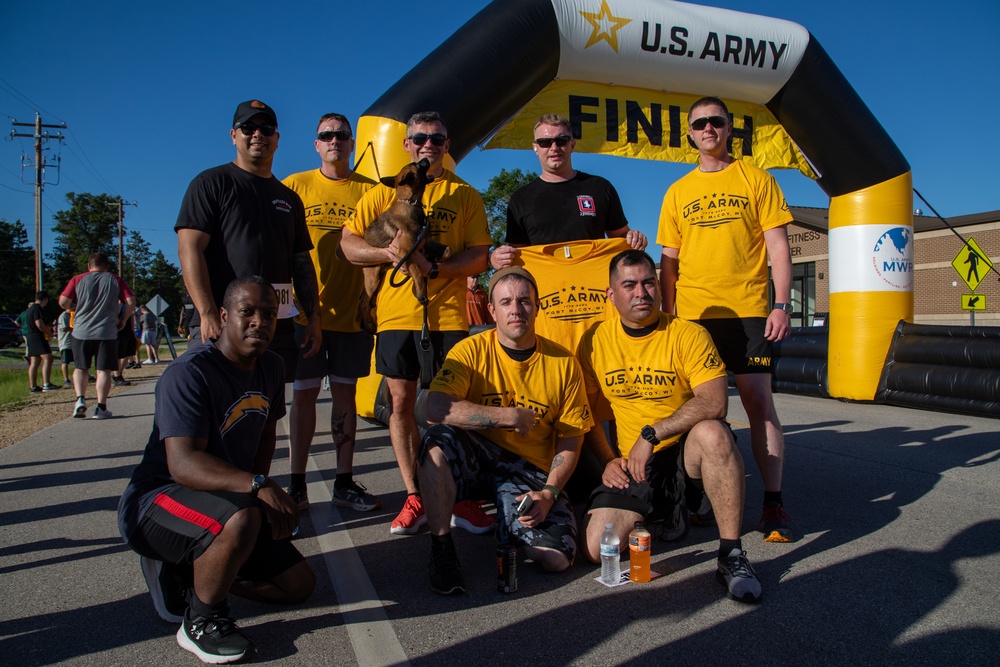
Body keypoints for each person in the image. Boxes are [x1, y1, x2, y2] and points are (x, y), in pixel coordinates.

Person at [117, 276, 314, 664]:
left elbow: (264, 437)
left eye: (269, 314)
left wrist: (257, 499)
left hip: (222, 500)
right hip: (155, 501)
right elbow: (183, 464)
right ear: (224, 317)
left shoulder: (272, 366)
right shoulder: (189, 372)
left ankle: (194, 573)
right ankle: (202, 620)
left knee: (298, 586)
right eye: (248, 312)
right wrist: (257, 487)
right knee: (239, 521)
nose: (260, 321)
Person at [579, 250, 762, 603]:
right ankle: (667, 512)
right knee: (595, 548)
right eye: (629, 284)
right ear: (611, 294)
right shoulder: (594, 340)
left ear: (660, 288)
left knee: (714, 432)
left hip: (683, 454)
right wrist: (607, 459)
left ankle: (732, 554)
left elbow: (714, 401)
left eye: (648, 282)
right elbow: (583, 410)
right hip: (636, 463)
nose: (641, 293)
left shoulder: (688, 334)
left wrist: (652, 433)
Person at [341, 111, 493, 535]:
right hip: (396, 316)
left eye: (438, 139)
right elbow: (350, 246)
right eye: (421, 138)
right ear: (408, 144)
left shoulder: (466, 195)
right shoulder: (382, 193)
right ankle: (415, 496)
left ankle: (459, 495)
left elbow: (480, 256)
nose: (429, 145)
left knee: (450, 410)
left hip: (448, 317)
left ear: (448, 145)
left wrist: (433, 271)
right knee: (402, 406)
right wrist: (392, 256)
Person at [657, 96, 794, 543]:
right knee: (697, 410)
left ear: (730, 128)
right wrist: (667, 312)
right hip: (694, 315)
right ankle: (695, 494)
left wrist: (782, 303)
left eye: (716, 121)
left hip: (749, 310)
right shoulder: (677, 191)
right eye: (700, 124)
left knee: (758, 403)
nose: (708, 129)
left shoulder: (757, 179)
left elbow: (777, 246)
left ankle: (772, 501)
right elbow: (668, 262)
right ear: (690, 134)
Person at [417, 267, 593, 594]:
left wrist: (549, 493)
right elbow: (435, 408)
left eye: (525, 301)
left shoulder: (563, 362)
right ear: (492, 310)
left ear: (537, 307)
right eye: (507, 301)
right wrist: (507, 416)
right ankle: (442, 550)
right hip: (477, 458)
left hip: (528, 468)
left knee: (555, 559)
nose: (516, 309)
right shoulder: (469, 352)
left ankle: (509, 517)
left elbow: (572, 436)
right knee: (435, 443)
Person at [176, 99, 321, 378]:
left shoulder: (290, 199)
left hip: (274, 327)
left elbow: (301, 263)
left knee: (265, 412)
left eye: (266, 128)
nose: (258, 135)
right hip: (222, 325)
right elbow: (189, 250)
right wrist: (207, 313)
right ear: (233, 135)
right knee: (216, 413)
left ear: (277, 138)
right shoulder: (211, 184)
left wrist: (314, 317)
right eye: (248, 128)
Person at [281, 113, 380, 512]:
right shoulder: (294, 186)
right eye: (326, 135)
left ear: (352, 143)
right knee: (302, 398)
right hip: (305, 316)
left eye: (341, 134)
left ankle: (343, 480)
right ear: (316, 144)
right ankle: (297, 484)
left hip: (352, 317)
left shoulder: (371, 191)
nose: (334, 140)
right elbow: (283, 249)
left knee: (346, 398)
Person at [489, 113, 646, 271]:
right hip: (546, 291)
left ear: (572, 144)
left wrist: (634, 238)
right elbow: (516, 256)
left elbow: (622, 238)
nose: (554, 148)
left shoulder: (600, 187)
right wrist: (497, 259)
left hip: (595, 288)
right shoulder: (520, 199)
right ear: (535, 148)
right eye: (545, 142)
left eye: (561, 141)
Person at [59, 253, 136, 419]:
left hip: (81, 331)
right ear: (106, 266)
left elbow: (63, 302)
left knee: (81, 367)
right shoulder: (115, 280)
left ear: (89, 265)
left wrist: (75, 307)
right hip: (106, 332)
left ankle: (80, 399)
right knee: (104, 370)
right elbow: (130, 302)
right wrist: (123, 319)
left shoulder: (77, 279)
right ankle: (101, 408)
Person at [24, 291, 57, 393]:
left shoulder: (30, 309)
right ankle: (46, 383)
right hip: (37, 336)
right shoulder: (38, 308)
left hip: (30, 336)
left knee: (35, 361)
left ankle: (33, 386)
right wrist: (50, 333)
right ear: (45, 299)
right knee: (48, 358)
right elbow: (39, 324)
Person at [56, 308, 74, 387]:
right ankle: (66, 379)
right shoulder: (64, 316)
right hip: (65, 342)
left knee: (79, 360)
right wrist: (75, 328)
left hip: (74, 342)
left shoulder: (73, 315)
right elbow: (63, 328)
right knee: (65, 361)